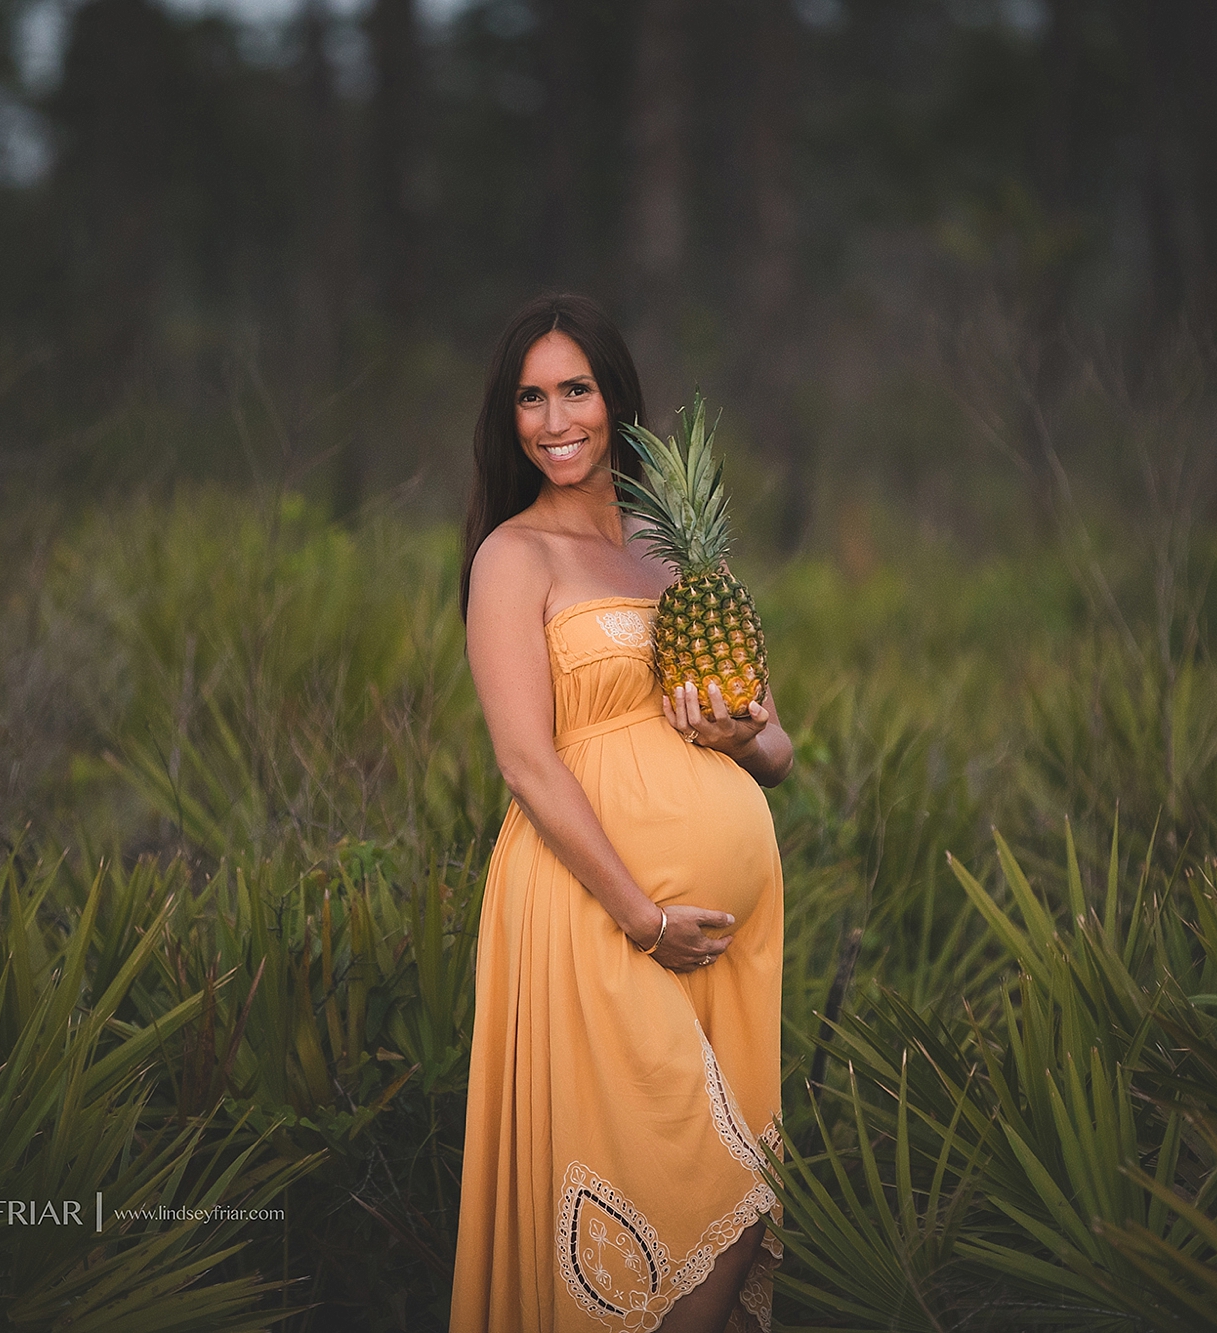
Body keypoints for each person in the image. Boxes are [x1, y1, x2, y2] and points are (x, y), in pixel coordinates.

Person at [449, 293, 794, 1333]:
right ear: (508, 417)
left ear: (616, 400)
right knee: (683, 1183)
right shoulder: (513, 558)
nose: (554, 420)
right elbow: (525, 761)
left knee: (741, 1183)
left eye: (575, 390)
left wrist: (741, 738)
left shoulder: (681, 547)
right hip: (593, 914)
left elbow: (776, 742)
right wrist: (640, 914)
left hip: (731, 942)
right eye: (530, 397)